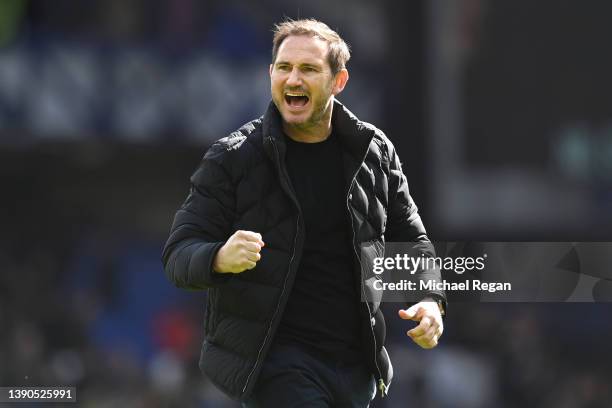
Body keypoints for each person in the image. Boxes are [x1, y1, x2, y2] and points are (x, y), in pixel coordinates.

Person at [162, 18, 446, 407]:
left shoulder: (373, 152)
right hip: (276, 365)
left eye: (309, 69)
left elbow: (410, 239)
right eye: (284, 68)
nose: (293, 79)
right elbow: (178, 254)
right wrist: (218, 257)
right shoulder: (232, 158)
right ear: (271, 75)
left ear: (338, 81)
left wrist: (429, 299)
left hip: (355, 370)